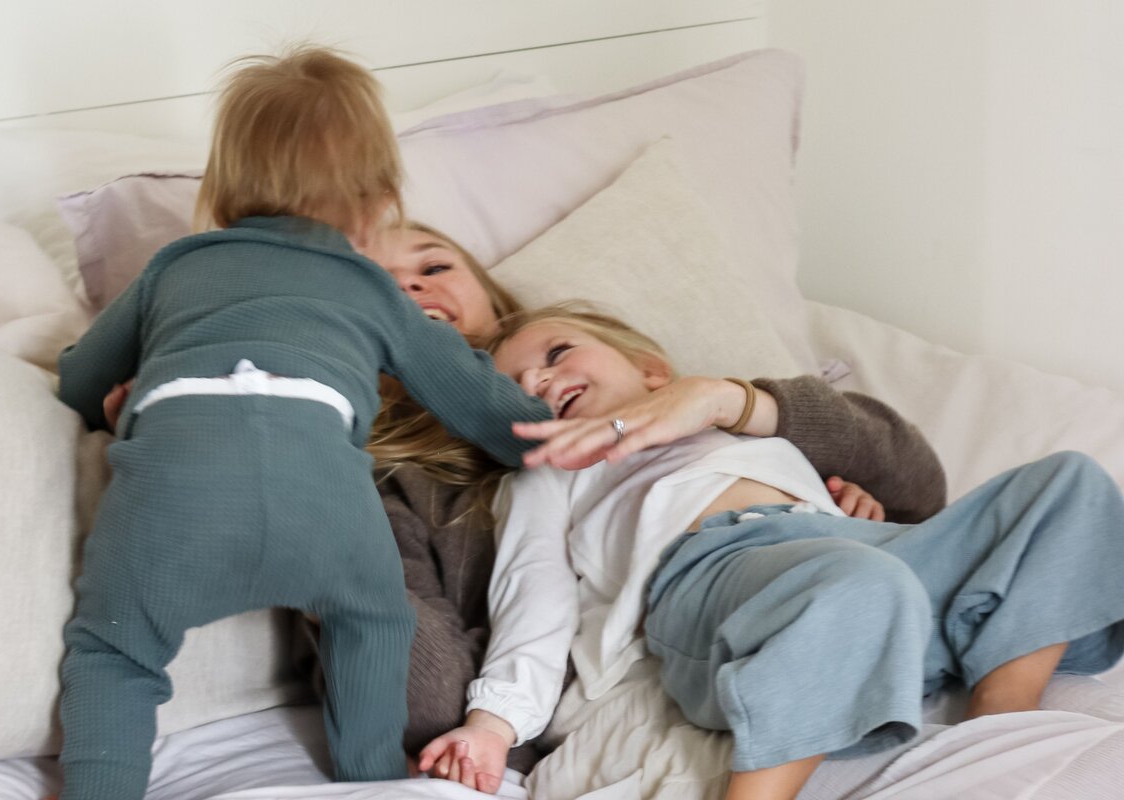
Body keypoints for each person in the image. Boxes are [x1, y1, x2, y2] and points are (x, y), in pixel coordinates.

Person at [101, 221, 949, 774]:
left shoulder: (622, 388)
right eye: (371, 294)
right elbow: (424, 701)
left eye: (433, 266)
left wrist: (769, 451)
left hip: (800, 605)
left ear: (498, 306)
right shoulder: (387, 479)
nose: (413, 293)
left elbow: (920, 484)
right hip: (629, 692)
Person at [50, 48, 551, 800]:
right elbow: (480, 403)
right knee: (373, 626)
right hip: (323, 504)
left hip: (174, 504)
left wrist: (115, 401)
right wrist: (557, 432)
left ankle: (99, 789)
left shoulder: (174, 268)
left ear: (222, 189)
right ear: (380, 198)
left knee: (113, 655)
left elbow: (80, 381)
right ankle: (371, 777)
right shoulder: (370, 287)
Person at [418, 304, 1124, 799]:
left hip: (847, 552)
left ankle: (999, 722)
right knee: (859, 582)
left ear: (652, 370)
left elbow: (900, 476)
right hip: (709, 580)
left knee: (1068, 484)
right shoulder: (554, 474)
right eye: (514, 389)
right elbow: (532, 597)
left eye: (557, 352)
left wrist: (840, 508)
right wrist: (491, 725)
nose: (539, 379)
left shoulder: (742, 426)